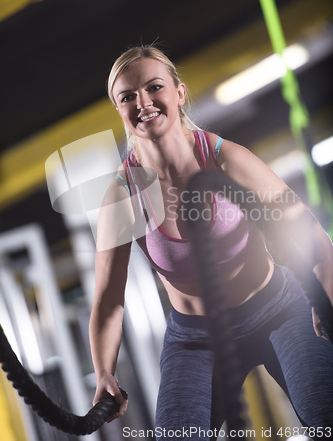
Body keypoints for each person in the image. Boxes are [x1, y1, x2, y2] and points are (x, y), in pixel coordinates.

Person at [89, 45, 333, 438]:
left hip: (280, 309)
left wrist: (327, 297)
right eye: (128, 97)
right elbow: (108, 298)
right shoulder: (122, 198)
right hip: (195, 338)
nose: (143, 102)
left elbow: (307, 230)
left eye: (154, 88)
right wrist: (104, 372)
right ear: (118, 109)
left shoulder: (227, 159)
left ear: (179, 93)